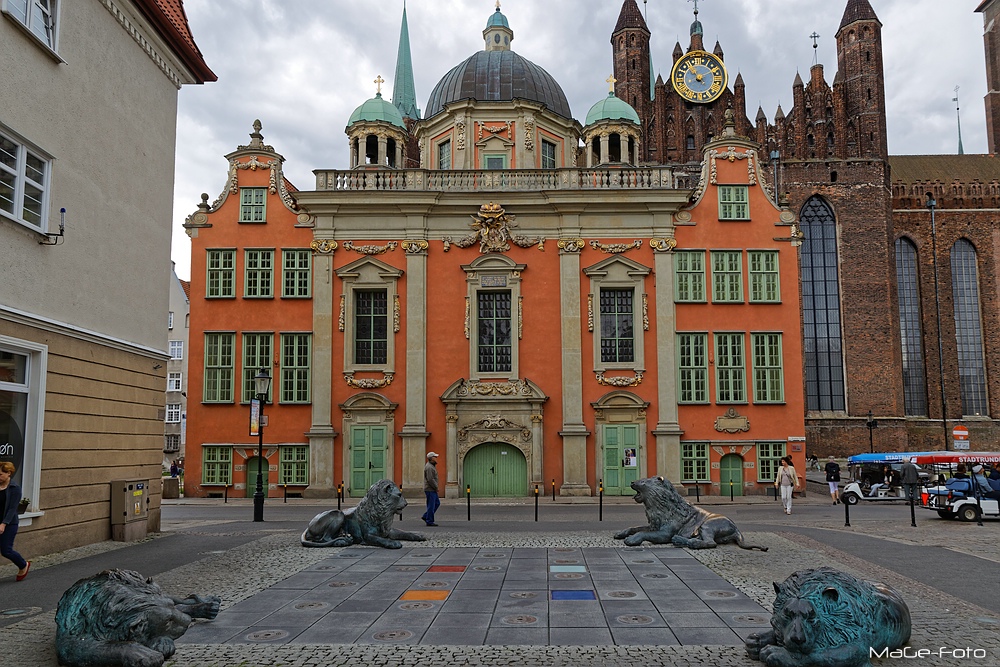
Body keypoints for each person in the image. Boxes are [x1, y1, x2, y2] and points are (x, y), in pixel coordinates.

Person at [0, 461, 30, 581]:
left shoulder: (15, 488)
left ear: (9, 473)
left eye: (1, 474)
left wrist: (3, 524)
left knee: (6, 551)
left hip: (9, 523)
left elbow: (12, 509)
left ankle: (23, 564)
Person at [421, 451, 440, 527]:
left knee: (437, 503)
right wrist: (436, 487)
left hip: (431, 489)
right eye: (435, 457)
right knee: (431, 505)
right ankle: (429, 521)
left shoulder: (432, 466)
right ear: (431, 458)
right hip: (430, 489)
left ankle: (426, 516)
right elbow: (430, 479)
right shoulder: (429, 467)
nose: (436, 458)